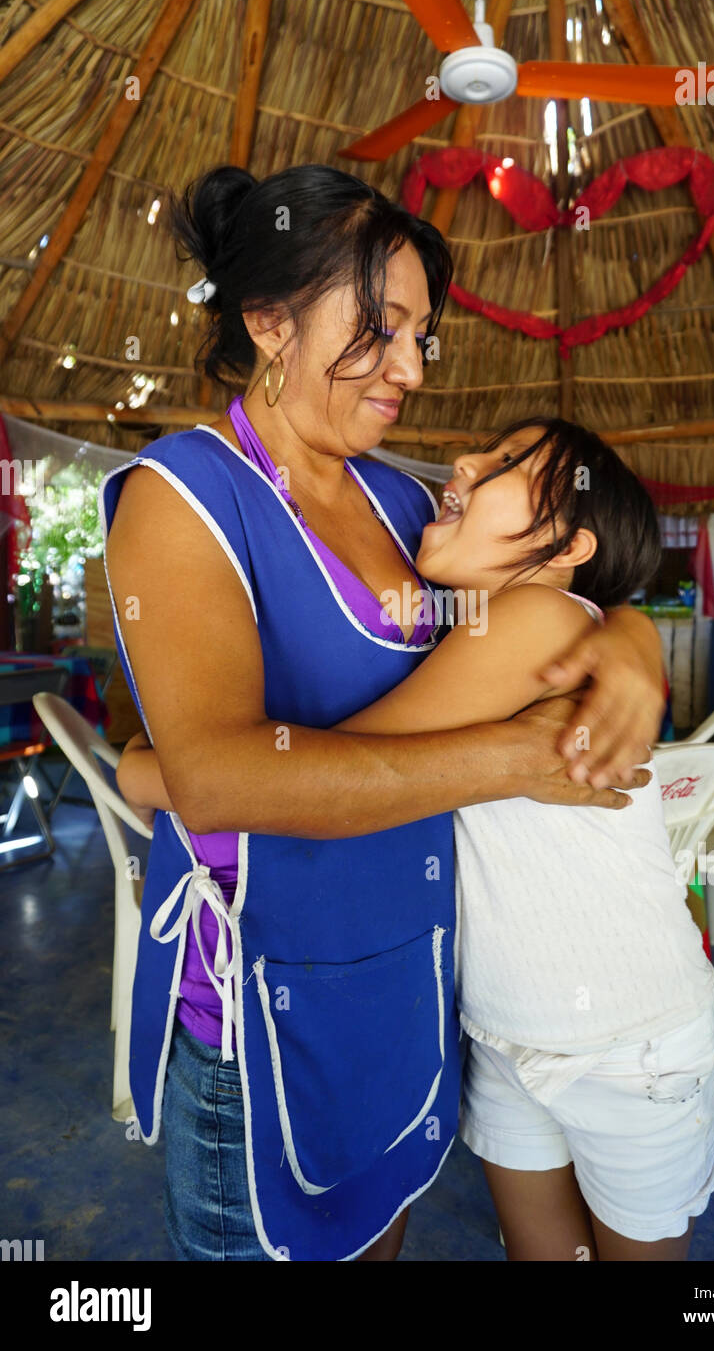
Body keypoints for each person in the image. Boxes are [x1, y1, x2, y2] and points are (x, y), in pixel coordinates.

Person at [105, 162, 666, 1263]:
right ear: (270, 322)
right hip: (265, 1020)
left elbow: (556, 608)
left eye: (420, 335)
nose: (410, 368)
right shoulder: (185, 501)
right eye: (379, 329)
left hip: (411, 988)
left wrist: (631, 647)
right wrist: (510, 755)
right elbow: (220, 776)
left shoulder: (401, 503)